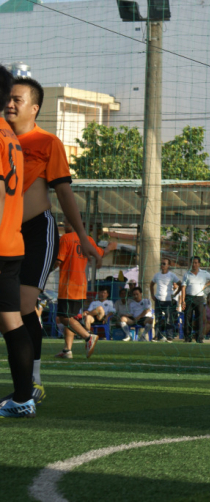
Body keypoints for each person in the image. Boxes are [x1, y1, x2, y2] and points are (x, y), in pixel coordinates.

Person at [5, 77, 102, 399]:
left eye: (17, 99)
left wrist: (84, 238)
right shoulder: (2, 140)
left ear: (34, 108)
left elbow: (64, 191)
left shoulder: (48, 143)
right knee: (9, 310)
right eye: (7, 98)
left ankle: (31, 384)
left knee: (22, 306)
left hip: (36, 232)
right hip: (5, 234)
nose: (10, 103)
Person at [0, 66, 36, 418]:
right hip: (12, 243)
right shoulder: (10, 136)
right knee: (11, 321)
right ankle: (23, 398)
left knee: (11, 321)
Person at [53, 217, 115, 359]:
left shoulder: (66, 239)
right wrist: (110, 248)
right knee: (70, 317)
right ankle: (67, 350)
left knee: (63, 318)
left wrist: (43, 273)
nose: (64, 225)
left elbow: (58, 261)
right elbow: (100, 253)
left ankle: (88, 337)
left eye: (66, 222)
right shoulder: (87, 240)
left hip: (68, 285)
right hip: (81, 285)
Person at [181, 256, 210, 343]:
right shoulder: (187, 274)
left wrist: (206, 285)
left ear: (199, 264)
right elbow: (183, 288)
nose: (194, 264)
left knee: (199, 318)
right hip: (189, 297)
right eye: (192, 262)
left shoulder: (203, 273)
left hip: (199, 298)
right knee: (187, 318)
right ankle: (187, 338)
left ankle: (199, 338)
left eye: (196, 263)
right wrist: (183, 301)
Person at [150, 258, 181, 342]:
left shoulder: (172, 275)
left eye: (164, 264)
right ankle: (156, 336)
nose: (162, 265)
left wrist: (175, 294)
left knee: (168, 319)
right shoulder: (157, 275)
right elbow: (151, 284)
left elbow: (180, 284)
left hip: (167, 300)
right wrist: (152, 295)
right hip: (158, 300)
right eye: (161, 264)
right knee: (157, 319)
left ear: (168, 265)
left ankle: (169, 336)